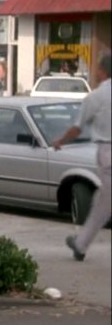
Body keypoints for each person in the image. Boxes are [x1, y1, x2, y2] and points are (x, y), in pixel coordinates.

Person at [53, 53, 111, 262]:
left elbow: (78, 128)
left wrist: (60, 141)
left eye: (97, 68)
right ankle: (81, 243)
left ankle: (81, 243)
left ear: (103, 71)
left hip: (107, 152)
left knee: (104, 203)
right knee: (103, 202)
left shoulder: (96, 97)